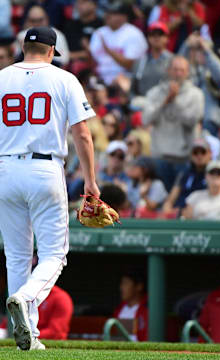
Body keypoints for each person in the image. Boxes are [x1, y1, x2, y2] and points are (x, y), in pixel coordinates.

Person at [0, 26, 100, 350]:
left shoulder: (2, 77)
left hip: (5, 169)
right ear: (50, 51)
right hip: (44, 168)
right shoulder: (64, 78)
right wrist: (90, 180)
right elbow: (82, 135)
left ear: (23, 48)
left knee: (16, 256)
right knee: (55, 254)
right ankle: (26, 298)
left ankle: (27, 337)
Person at [142, 55, 204, 191]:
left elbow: (192, 121)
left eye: (182, 70)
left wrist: (174, 101)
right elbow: (146, 119)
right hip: (159, 155)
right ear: (168, 70)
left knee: (179, 199)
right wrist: (165, 101)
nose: (178, 73)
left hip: (184, 157)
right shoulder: (154, 93)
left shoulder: (196, 94)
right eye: (175, 69)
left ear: (187, 73)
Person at [89, 3, 148, 85]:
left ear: (124, 17)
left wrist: (108, 51)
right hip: (100, 77)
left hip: (125, 77)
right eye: (108, 13)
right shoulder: (99, 32)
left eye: (114, 14)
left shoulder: (134, 34)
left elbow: (130, 65)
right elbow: (93, 60)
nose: (108, 16)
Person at [162, 137, 212, 218]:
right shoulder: (185, 173)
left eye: (203, 152)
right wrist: (168, 208)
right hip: (179, 214)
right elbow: (171, 199)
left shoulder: (215, 173)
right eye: (195, 152)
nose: (199, 156)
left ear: (210, 153)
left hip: (201, 215)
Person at [113, 270, 148, 341]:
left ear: (139, 286)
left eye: (126, 283)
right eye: (122, 284)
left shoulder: (147, 309)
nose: (121, 288)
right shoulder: (119, 309)